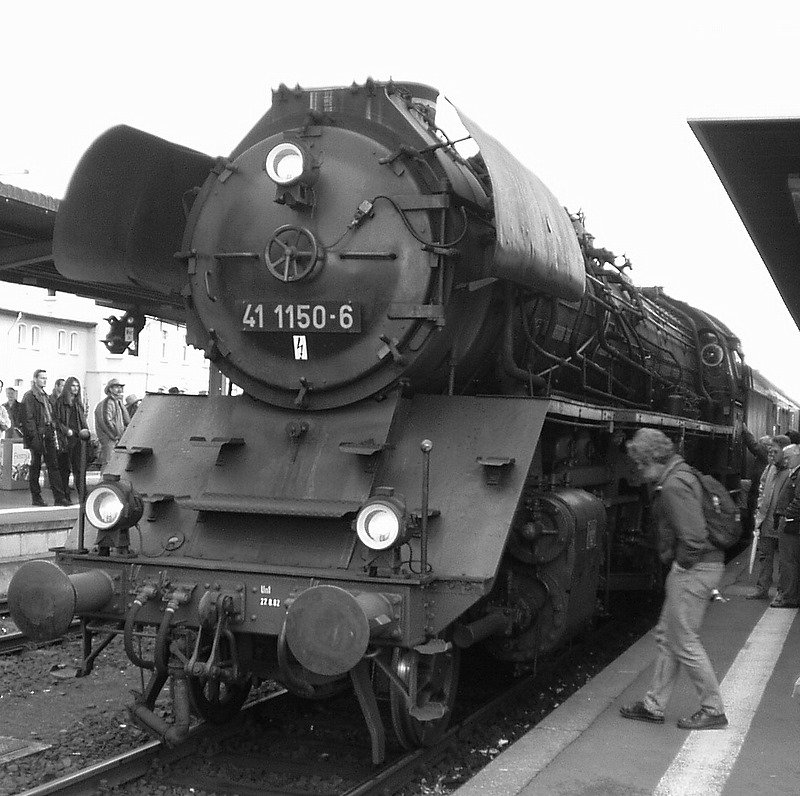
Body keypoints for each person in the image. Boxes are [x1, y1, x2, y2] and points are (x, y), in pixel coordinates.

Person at [619, 428, 727, 730]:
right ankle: (654, 705)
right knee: (669, 637)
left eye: (640, 463)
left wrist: (680, 569)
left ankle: (713, 708)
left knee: (685, 642)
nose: (639, 470)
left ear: (653, 458)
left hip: (695, 569)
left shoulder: (675, 484)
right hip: (700, 567)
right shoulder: (679, 474)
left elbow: (693, 539)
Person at [748, 435, 792, 599]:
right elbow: (762, 490)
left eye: (774, 451)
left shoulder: (792, 471)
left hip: (783, 522)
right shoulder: (769, 468)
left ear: (785, 451)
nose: (770, 455)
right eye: (769, 452)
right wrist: (759, 512)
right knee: (765, 556)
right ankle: (762, 588)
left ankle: (782, 591)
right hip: (766, 520)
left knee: (785, 560)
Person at [21, 369, 69, 506]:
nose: (44, 380)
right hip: (38, 434)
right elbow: (28, 419)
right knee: (36, 466)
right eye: (42, 378)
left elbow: (50, 415)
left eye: (45, 378)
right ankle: (36, 497)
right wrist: (34, 436)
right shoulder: (30, 396)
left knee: (53, 465)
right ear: (35, 379)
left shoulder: (45, 396)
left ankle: (59, 497)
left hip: (48, 432)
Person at [770, 444, 800, 607]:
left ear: (797, 455)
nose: (786, 461)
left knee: (789, 561)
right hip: (792, 523)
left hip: (791, 524)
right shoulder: (794, 473)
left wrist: (786, 515)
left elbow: (798, 500)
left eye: (788, 457)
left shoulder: (798, 474)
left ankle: (789, 597)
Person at [54, 376, 89, 503]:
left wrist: (86, 432)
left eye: (77, 386)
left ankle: (83, 496)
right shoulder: (61, 402)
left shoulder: (78, 403)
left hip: (79, 438)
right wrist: (66, 430)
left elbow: (83, 421)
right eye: (73, 386)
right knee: (65, 469)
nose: (75, 388)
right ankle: (65, 496)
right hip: (67, 439)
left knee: (79, 469)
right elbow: (57, 421)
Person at [94, 378, 130, 471]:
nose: (119, 389)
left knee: (113, 464)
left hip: (115, 438)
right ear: (110, 389)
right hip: (109, 438)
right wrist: (115, 435)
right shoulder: (107, 403)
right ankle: (104, 483)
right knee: (108, 463)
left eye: (120, 387)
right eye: (117, 387)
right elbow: (106, 421)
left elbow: (125, 420)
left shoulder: (117, 402)